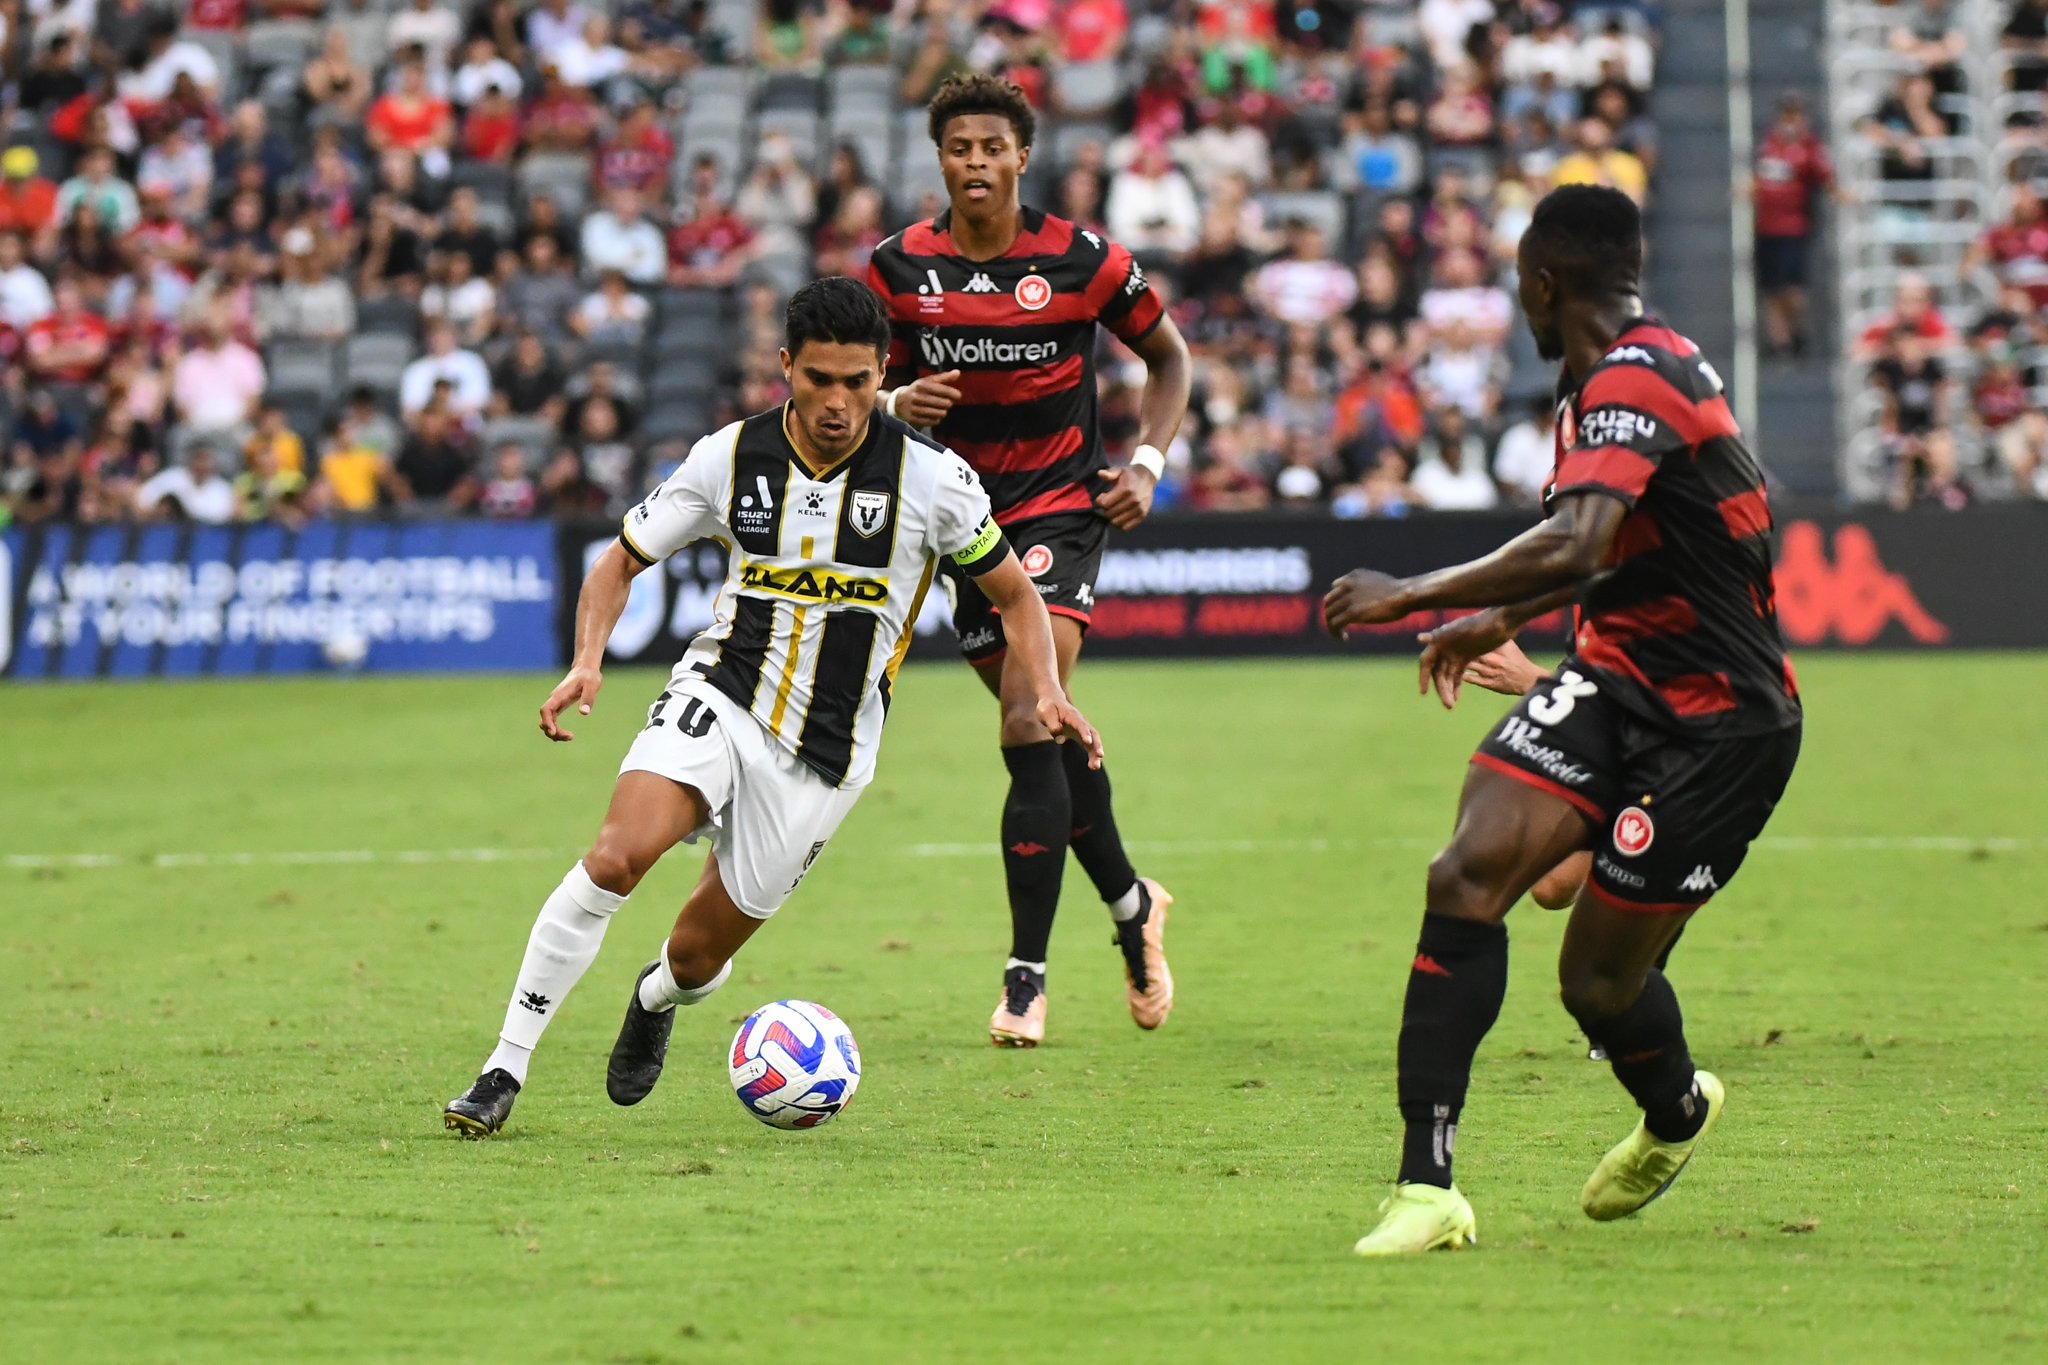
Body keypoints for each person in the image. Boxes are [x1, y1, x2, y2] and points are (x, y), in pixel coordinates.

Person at [441, 277, 1100, 1137]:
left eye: (858, 382)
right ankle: (503, 1068)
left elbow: (1015, 597)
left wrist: (1047, 688)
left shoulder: (933, 481)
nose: (837, 402)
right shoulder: (727, 456)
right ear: (786, 366)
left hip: (827, 753)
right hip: (722, 692)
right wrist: (587, 663)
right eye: (819, 378)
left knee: (696, 954)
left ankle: (654, 997)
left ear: (883, 371)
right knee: (613, 858)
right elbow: (617, 563)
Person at [1324, 185, 1802, 1255]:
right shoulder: (1587, 384)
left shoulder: (1643, 374)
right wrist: (1491, 617)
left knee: (1593, 983)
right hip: (1612, 677)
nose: (1517, 303)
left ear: (1543, 283)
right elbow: (1600, 552)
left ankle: (1676, 1111)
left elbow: (1580, 544)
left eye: (1518, 284)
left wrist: (1414, 595)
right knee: (1465, 874)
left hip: (1718, 727)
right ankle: (1425, 1188)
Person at [865, 73, 1193, 1047]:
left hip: (1057, 510)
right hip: (956, 526)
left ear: (1019, 156)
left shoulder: (1084, 260)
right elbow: (842, 391)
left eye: (990, 147)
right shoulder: (895, 268)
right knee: (1047, 736)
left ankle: (1024, 978)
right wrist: (892, 406)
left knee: (1024, 715)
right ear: (940, 160)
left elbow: (1168, 359)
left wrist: (1145, 461)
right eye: (957, 147)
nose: (975, 162)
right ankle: (1133, 907)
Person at [1752, 93, 1836, 356]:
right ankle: (1779, 340)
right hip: (1766, 226)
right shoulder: (1769, 144)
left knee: (1790, 286)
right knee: (1771, 286)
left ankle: (1797, 326)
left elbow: (1827, 178)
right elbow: (1761, 178)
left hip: (1794, 227)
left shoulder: (1810, 148)